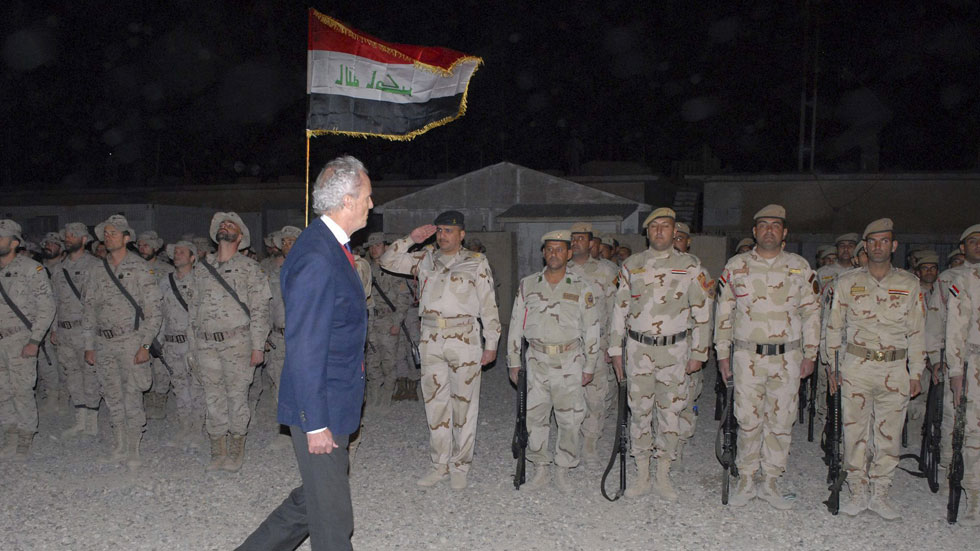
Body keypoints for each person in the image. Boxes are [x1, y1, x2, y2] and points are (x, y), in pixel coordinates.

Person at [236, 155, 371, 551]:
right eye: (367, 195)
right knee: (333, 519)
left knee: (314, 501)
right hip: (320, 405)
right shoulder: (317, 256)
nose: (371, 203)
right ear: (347, 201)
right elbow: (306, 345)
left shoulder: (330, 245)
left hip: (334, 397)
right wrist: (314, 423)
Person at [380, 210, 501, 490]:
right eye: (440, 230)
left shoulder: (475, 262)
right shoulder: (425, 259)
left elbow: (488, 304)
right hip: (432, 338)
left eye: (449, 231)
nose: (443, 235)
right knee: (435, 404)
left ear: (462, 234)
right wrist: (411, 239)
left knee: (464, 405)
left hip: (465, 339)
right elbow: (387, 261)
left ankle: (461, 465)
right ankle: (439, 465)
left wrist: (492, 343)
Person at [714, 204, 820, 509]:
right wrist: (722, 354)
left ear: (784, 232)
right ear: (754, 231)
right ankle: (747, 479)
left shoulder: (800, 267)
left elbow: (812, 313)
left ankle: (771, 480)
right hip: (747, 357)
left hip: (788, 358)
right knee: (747, 419)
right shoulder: (736, 266)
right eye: (763, 225)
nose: (769, 230)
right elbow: (724, 313)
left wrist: (811, 354)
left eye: (775, 225)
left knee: (781, 420)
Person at [825, 218, 925, 520]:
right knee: (854, 432)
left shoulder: (909, 283)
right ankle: (857, 490)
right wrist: (832, 367)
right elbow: (834, 327)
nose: (878, 246)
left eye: (884, 241)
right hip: (857, 367)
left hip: (894, 368)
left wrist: (916, 372)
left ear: (893, 246)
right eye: (872, 241)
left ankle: (881, 492)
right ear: (865, 247)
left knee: (889, 435)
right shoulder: (847, 282)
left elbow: (917, 331)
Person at [609, 209, 712, 499]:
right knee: (639, 412)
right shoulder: (632, 265)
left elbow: (702, 312)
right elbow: (619, 310)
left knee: (670, 413)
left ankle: (663, 474)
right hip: (638, 350)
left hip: (675, 352)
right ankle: (642, 474)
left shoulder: (690, 266)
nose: (659, 231)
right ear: (647, 232)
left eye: (665, 226)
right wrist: (615, 350)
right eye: (654, 226)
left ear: (673, 231)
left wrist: (699, 353)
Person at [508, 229, 599, 492]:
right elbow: (515, 324)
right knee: (535, 417)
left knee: (570, 419)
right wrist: (513, 360)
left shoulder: (581, 287)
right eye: (549, 249)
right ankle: (540, 468)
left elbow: (592, 328)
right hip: (536, 360)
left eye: (559, 249)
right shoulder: (528, 285)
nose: (554, 254)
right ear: (543, 253)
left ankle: (563, 469)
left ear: (569, 253)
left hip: (570, 360)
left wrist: (590, 365)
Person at [188, 211, 271, 472]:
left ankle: (236, 448)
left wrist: (258, 346)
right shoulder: (202, 268)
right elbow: (193, 309)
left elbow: (260, 309)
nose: (224, 226)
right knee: (212, 397)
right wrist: (192, 347)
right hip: (206, 345)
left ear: (240, 236)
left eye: (230, 224)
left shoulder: (249, 268)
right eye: (221, 224)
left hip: (237, 343)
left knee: (236, 397)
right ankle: (218, 449)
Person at [82, 215, 162, 467]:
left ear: (127, 238)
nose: (108, 237)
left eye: (114, 233)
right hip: (104, 342)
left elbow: (154, 311)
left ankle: (133, 448)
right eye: (105, 233)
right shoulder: (97, 270)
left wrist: (145, 345)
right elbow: (89, 310)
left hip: (131, 340)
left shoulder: (140, 268)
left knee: (132, 394)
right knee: (111, 395)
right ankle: (119, 444)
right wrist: (89, 345)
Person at [0, 220, 55, 459]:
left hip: (20, 339)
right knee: (2, 392)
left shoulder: (32, 269)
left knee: (21, 390)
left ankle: (25, 436)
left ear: (14, 243)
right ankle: (9, 435)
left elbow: (47, 306)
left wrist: (35, 340)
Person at [567, 222, 618, 466]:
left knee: (596, 397)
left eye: (581, 238)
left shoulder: (606, 272)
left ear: (590, 243)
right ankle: (570, 442)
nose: (576, 242)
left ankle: (590, 444)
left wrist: (613, 345)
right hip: (568, 346)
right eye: (573, 238)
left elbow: (616, 310)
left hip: (597, 345)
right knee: (568, 397)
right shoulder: (560, 269)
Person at [52, 223, 102, 439]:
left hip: (85, 331)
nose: (68, 238)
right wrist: (54, 328)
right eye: (67, 235)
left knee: (90, 375)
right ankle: (80, 420)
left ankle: (92, 422)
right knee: (71, 375)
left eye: (73, 235)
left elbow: (98, 303)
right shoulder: (58, 268)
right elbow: (54, 301)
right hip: (64, 331)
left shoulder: (96, 266)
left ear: (84, 240)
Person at [944, 223, 980, 526]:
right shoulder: (963, 280)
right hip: (975, 363)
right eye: (973, 241)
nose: (979, 245)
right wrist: (955, 370)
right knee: (973, 435)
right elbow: (955, 329)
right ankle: (975, 499)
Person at [671, 220, 714, 460]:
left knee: (687, 396)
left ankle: (680, 444)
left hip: (687, 342)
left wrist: (700, 351)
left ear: (688, 242)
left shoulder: (698, 272)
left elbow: (706, 315)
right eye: (672, 237)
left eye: (679, 238)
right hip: (660, 345)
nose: (674, 243)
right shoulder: (654, 268)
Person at [158, 240, 205, 450]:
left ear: (193, 258)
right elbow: (160, 313)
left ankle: (197, 430)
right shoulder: (165, 282)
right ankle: (184, 427)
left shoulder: (200, 281)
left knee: (197, 388)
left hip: (192, 344)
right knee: (179, 388)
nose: (177, 255)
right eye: (175, 252)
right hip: (171, 343)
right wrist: (158, 341)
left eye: (182, 252)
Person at [364, 232, 412, 409]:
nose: (374, 249)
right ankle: (374, 395)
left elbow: (403, 298)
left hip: (388, 320)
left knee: (389, 361)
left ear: (385, 247)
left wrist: (397, 322)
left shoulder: (394, 268)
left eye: (377, 245)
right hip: (371, 320)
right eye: (371, 246)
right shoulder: (366, 269)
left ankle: (386, 397)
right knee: (371, 361)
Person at [137, 230, 174, 419]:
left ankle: (159, 400)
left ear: (155, 247)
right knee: (142, 364)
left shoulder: (167, 270)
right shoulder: (134, 268)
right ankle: (146, 399)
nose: (142, 248)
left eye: (146, 245)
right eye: (140, 245)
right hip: (139, 324)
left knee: (160, 365)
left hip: (162, 324)